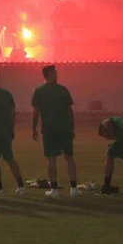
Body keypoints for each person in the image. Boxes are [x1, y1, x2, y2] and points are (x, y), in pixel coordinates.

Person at [31, 65, 80, 198]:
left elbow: (35, 112)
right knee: (69, 157)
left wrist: (33, 128)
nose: (57, 74)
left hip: (49, 129)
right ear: (51, 74)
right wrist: (72, 128)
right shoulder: (63, 90)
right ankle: (74, 188)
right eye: (55, 72)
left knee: (51, 159)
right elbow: (70, 111)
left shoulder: (38, 91)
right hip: (64, 129)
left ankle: (54, 190)